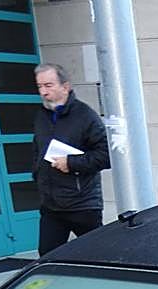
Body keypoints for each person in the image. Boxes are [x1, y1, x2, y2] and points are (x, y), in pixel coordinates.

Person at [32, 63, 110, 256]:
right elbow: (38, 149)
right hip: (51, 205)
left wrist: (71, 163)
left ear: (65, 87)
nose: (43, 92)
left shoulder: (85, 116)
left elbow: (106, 155)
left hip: (82, 204)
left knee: (97, 256)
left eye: (48, 85)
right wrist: (37, 174)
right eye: (40, 86)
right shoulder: (41, 115)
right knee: (47, 258)